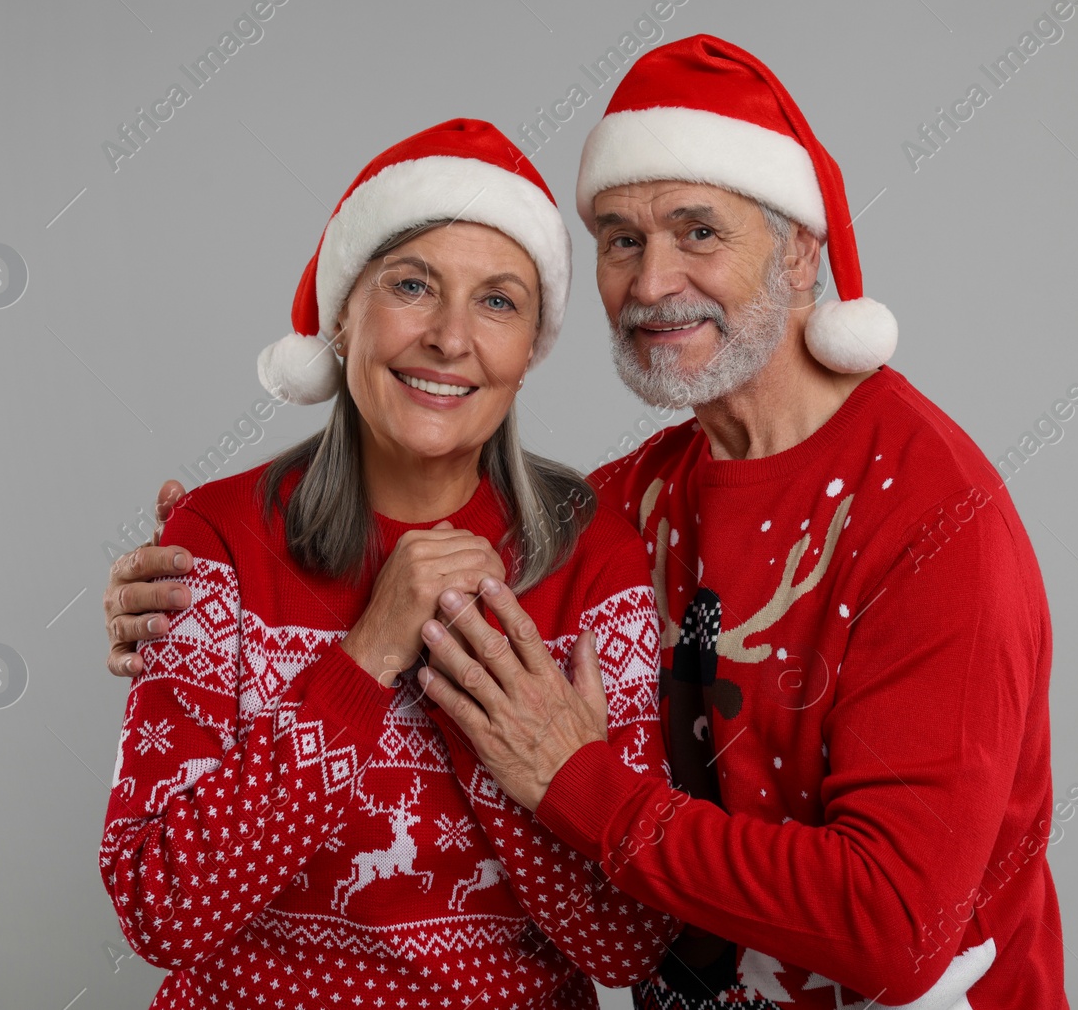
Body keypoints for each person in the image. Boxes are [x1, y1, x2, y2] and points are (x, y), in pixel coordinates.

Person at [106, 37, 1067, 1009]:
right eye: (620, 238)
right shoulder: (614, 510)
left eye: (698, 231)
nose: (650, 283)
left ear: (801, 250)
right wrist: (203, 570)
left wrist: (579, 782)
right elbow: (437, 522)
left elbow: (894, 928)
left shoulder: (935, 522)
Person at [99, 118, 679, 1010]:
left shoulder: (592, 555)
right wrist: (367, 656)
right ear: (343, 317)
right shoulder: (216, 538)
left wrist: (479, 680)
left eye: (497, 302)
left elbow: (625, 940)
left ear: (529, 352)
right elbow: (161, 907)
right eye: (413, 285)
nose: (451, 338)